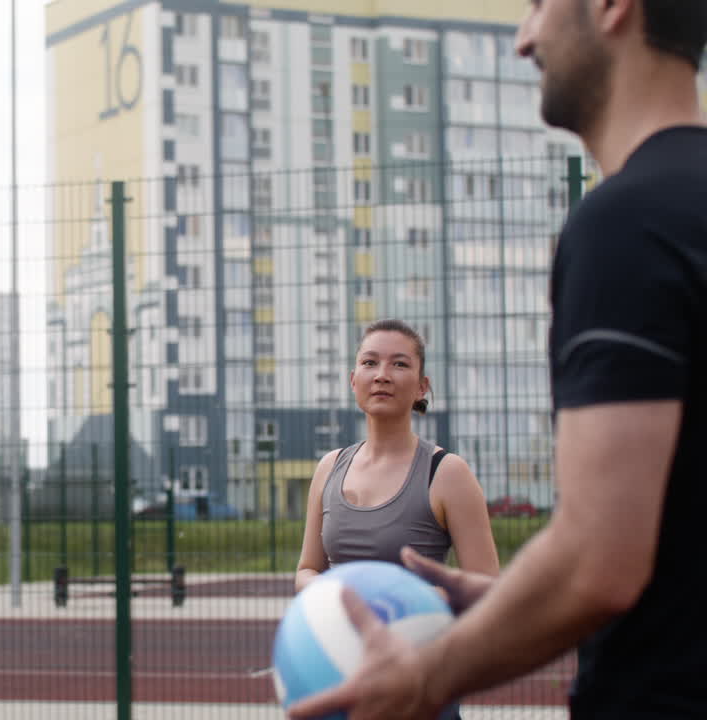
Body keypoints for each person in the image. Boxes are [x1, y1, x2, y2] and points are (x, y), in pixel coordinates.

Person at [289, 0, 707, 718]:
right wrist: (513, 598)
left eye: (540, 6)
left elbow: (599, 562)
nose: (523, 39)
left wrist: (423, 677)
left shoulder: (628, 225)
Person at [291, 319, 500, 719]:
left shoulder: (447, 473)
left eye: (399, 364)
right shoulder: (329, 467)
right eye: (370, 363)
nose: (382, 375)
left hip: (420, 684)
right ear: (353, 380)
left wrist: (393, 605)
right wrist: (337, 598)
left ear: (422, 386)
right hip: (339, 674)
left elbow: (487, 589)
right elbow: (306, 570)